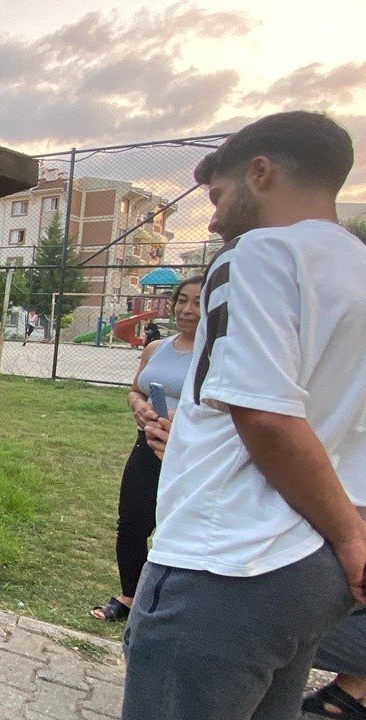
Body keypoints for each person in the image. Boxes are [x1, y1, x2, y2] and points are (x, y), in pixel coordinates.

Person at [121, 111, 365, 720]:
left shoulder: (257, 253)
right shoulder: (356, 267)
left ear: (260, 173)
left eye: (218, 195)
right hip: (308, 566)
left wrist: (352, 537)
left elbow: (267, 417)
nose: (214, 216)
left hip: (226, 559)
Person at [90, 276, 201, 622]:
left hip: (192, 452)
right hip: (148, 444)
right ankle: (130, 595)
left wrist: (185, 419)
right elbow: (135, 389)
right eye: (182, 300)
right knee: (132, 522)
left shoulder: (220, 354)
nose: (187, 309)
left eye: (198, 302)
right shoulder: (157, 348)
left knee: (180, 527)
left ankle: (176, 605)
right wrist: (137, 405)